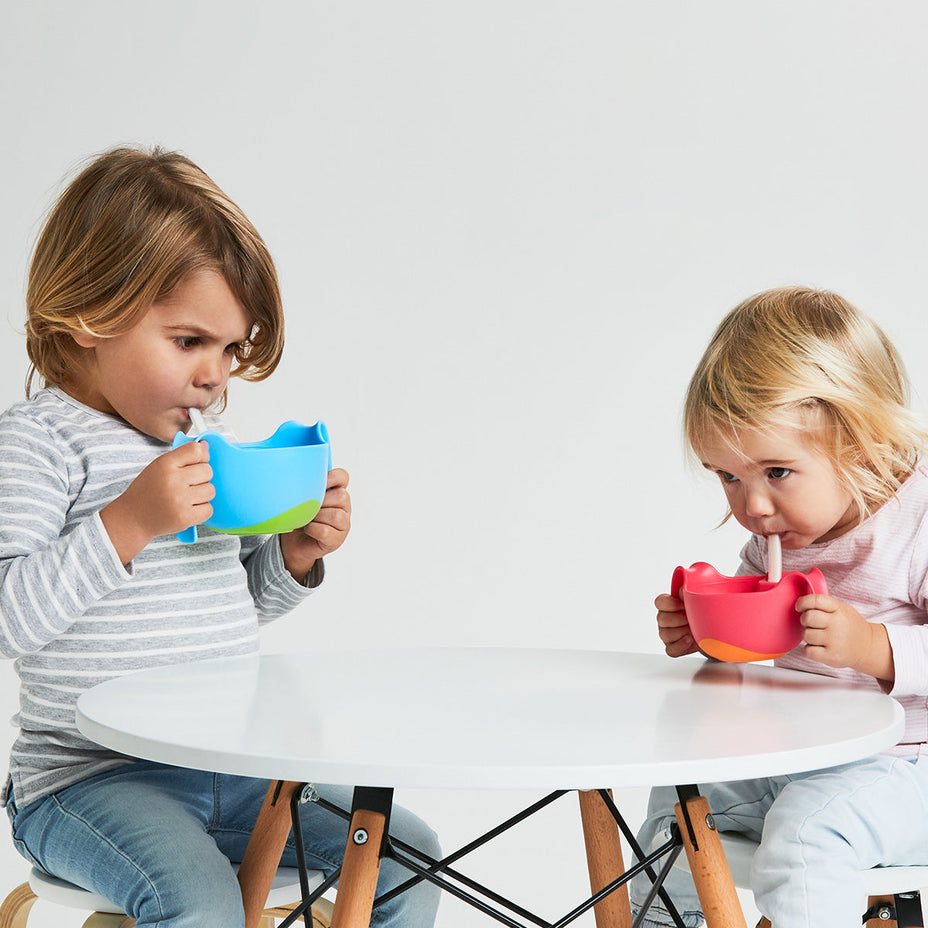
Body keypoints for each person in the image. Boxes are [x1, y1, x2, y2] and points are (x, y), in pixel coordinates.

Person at [0, 146, 441, 928]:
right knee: (199, 903)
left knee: (403, 857)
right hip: (89, 781)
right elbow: (9, 620)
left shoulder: (201, 444)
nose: (217, 376)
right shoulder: (39, 446)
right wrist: (127, 523)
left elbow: (220, 604)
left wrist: (294, 558)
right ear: (89, 315)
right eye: (188, 342)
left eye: (230, 349)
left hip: (230, 769)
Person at [630, 287, 928, 928]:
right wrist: (708, 635)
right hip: (801, 760)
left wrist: (874, 649)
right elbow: (753, 661)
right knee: (680, 800)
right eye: (728, 477)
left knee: (808, 830)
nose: (753, 506)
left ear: (860, 442)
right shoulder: (777, 540)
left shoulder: (919, 521)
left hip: (909, 767)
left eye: (777, 472)